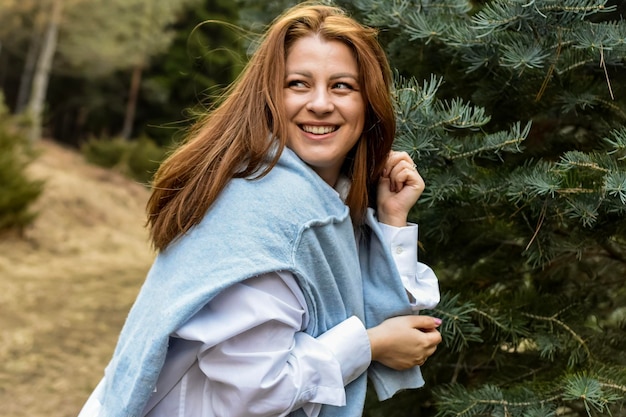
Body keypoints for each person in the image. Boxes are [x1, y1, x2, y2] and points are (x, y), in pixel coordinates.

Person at [78, 2, 442, 416]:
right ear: (270, 95)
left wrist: (392, 218)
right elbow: (254, 392)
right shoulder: (268, 212)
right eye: (298, 84)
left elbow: (375, 315)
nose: (321, 103)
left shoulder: (322, 200)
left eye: (342, 85)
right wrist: (369, 345)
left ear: (368, 103)